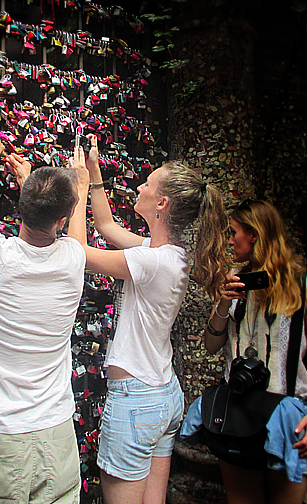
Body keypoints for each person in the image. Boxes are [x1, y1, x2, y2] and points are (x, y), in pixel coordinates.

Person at [66, 137, 230, 504]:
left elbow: (76, 253)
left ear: (162, 203)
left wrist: (76, 189)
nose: (139, 186)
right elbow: (106, 226)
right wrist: (94, 176)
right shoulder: (165, 254)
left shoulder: (152, 262)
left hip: (137, 400)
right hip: (163, 396)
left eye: (148, 184)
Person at [0, 133, 86, 504]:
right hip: (57, 434)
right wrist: (81, 183)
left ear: (21, 208)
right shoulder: (73, 260)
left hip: (2, 435)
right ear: (63, 218)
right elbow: (72, 231)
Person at [204, 199, 307, 504]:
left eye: (233, 232)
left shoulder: (300, 284)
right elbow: (211, 345)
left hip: (288, 414)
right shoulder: (236, 281)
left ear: (255, 235)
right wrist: (223, 304)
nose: (228, 240)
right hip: (238, 413)